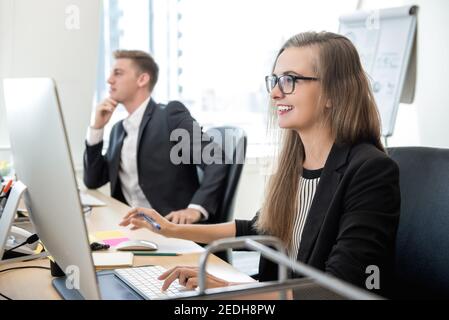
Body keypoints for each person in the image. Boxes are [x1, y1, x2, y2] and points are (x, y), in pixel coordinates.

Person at [119, 32, 400, 297]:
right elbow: (260, 227)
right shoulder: (294, 163)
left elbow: (336, 290)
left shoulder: (370, 171)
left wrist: (230, 290)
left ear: (332, 94)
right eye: (274, 80)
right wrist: (171, 229)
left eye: (289, 80)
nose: (275, 93)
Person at [84, 50, 229, 224]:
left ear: (142, 79)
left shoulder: (170, 115)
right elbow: (92, 180)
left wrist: (195, 208)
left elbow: (216, 159)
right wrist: (96, 128)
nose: (109, 80)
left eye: (118, 73)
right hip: (132, 228)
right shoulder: (118, 130)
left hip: (172, 230)